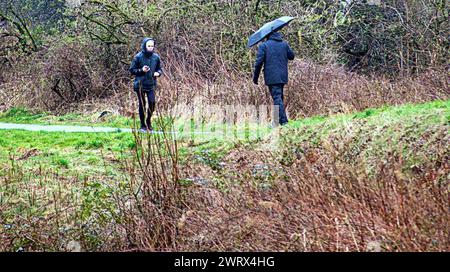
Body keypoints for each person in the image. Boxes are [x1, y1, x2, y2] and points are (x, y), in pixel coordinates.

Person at [253, 31, 295, 126]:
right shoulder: (284, 44)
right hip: (283, 76)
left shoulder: (264, 46)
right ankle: (276, 122)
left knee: (277, 98)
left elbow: (258, 63)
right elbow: (292, 56)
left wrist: (255, 77)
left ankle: (283, 122)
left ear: (267, 35)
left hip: (272, 77)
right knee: (279, 98)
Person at [129, 37, 163, 132]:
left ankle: (148, 122)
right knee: (142, 104)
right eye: (149, 46)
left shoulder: (156, 57)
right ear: (145, 46)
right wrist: (141, 70)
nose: (150, 47)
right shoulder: (138, 57)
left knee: (152, 103)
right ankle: (142, 125)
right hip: (140, 85)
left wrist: (158, 73)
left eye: (152, 46)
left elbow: (160, 69)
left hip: (151, 84)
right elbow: (132, 70)